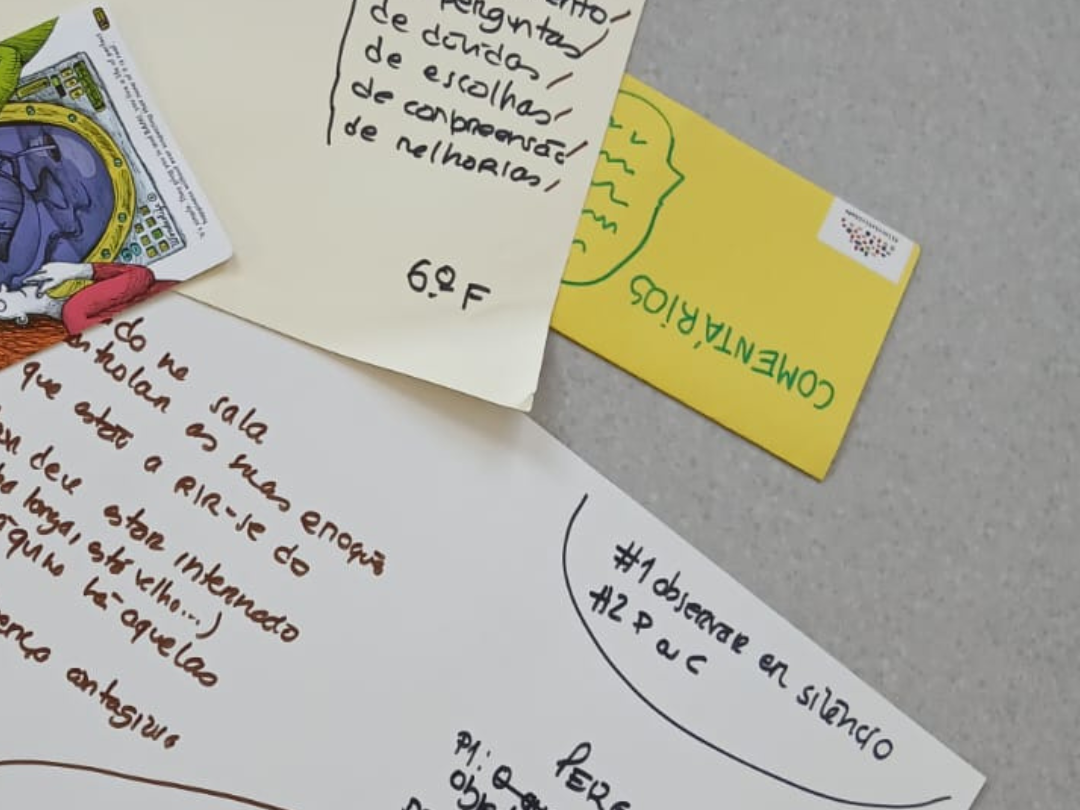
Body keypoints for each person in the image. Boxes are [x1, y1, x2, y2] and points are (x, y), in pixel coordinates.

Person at [0, 260, 176, 333]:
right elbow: (141, 276)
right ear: (21, 319)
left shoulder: (73, 316)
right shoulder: (74, 309)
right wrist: (76, 270)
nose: (4, 289)